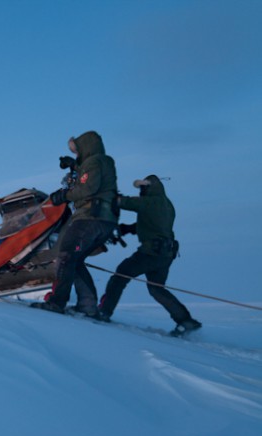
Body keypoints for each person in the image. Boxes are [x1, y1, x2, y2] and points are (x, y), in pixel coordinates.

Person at [97, 175, 202, 337]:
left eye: (143, 188)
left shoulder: (152, 201)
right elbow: (153, 225)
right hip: (166, 254)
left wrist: (110, 197)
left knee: (121, 275)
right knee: (156, 289)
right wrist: (127, 229)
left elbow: (126, 202)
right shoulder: (166, 204)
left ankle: (104, 312)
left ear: (150, 187)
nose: (141, 191)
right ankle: (185, 320)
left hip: (151, 252)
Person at [31, 131, 118, 316]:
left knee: (65, 255)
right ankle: (88, 306)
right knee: (75, 260)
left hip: (89, 218)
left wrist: (63, 195)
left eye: (77, 151)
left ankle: (56, 303)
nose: (76, 155)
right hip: (105, 220)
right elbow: (91, 181)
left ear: (86, 147)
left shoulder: (94, 162)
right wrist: (75, 166)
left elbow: (87, 188)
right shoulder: (102, 162)